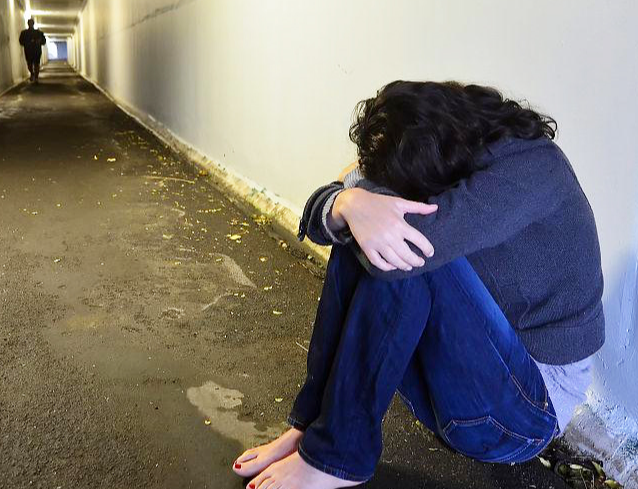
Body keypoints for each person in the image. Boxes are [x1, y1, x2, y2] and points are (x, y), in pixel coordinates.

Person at [232, 81, 604, 489]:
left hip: (526, 415)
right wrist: (348, 203)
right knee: (369, 232)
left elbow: (397, 251)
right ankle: (310, 429)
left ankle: (337, 458)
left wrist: (355, 202)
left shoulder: (531, 170)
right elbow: (332, 208)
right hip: (476, 380)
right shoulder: (448, 146)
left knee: (396, 250)